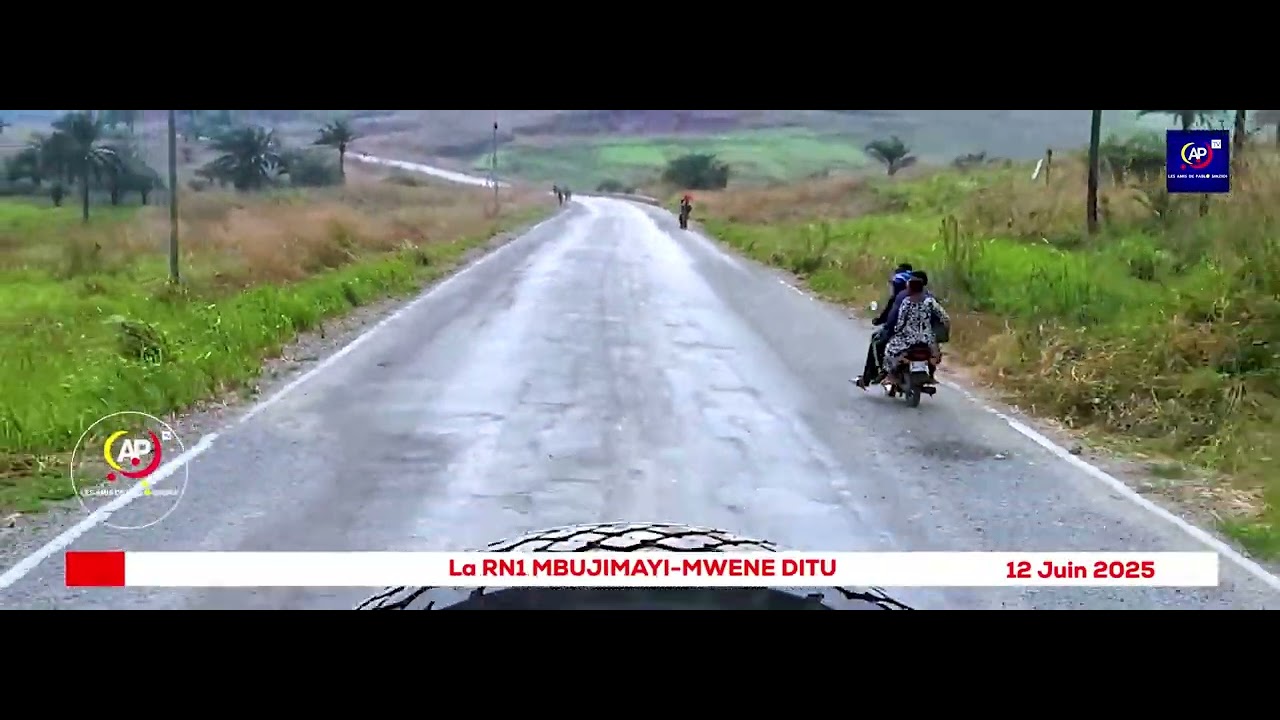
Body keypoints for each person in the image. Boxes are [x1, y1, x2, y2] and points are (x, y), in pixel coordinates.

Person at [854, 264, 914, 389]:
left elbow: (891, 318)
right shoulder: (927, 295)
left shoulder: (899, 298)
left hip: (900, 333)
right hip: (925, 336)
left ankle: (872, 375)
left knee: (876, 342)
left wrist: (881, 322)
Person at [883, 275, 950, 376]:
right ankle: (930, 373)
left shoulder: (906, 302)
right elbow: (945, 317)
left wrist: (896, 331)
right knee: (936, 354)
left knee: (889, 350)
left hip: (909, 339)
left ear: (911, 288)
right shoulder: (930, 301)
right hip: (927, 338)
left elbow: (901, 323)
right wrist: (944, 330)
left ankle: (892, 375)